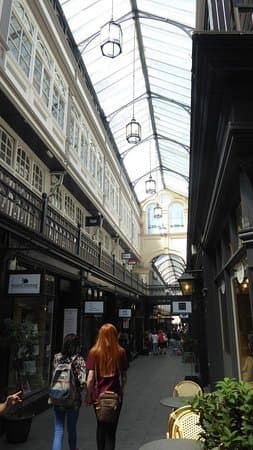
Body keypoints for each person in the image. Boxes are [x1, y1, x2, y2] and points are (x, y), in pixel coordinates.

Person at [86, 323, 128, 450]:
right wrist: (122, 390)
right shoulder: (120, 352)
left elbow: (90, 378)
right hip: (115, 396)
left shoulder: (94, 352)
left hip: (99, 396)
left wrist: (88, 394)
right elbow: (124, 376)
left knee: (100, 426)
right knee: (111, 430)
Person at [50, 333, 86, 450]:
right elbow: (83, 381)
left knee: (58, 431)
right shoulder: (79, 360)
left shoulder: (56, 357)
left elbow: (53, 376)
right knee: (72, 429)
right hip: (72, 400)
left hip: (57, 397)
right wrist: (78, 390)